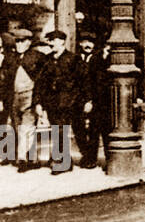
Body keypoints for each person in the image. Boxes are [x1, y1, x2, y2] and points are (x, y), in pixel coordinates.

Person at [0, 30, 47, 170]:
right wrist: (0, 99)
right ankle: (33, 159)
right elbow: (3, 80)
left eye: (22, 41)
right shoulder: (10, 58)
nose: (19, 44)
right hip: (14, 97)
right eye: (17, 41)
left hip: (30, 96)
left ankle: (22, 160)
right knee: (18, 128)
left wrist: (40, 101)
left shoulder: (37, 57)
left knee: (27, 128)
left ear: (29, 42)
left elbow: (43, 81)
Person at [36, 31, 83, 174]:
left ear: (62, 41)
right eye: (50, 41)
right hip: (52, 102)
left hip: (68, 102)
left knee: (61, 130)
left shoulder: (73, 59)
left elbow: (82, 81)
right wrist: (38, 102)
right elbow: (40, 83)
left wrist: (82, 100)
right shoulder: (47, 60)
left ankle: (63, 162)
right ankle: (60, 158)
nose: (51, 43)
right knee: (56, 130)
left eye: (53, 40)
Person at [73, 33, 107, 169]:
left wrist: (91, 100)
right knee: (78, 129)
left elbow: (100, 82)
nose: (88, 45)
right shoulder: (75, 59)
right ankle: (86, 155)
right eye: (85, 42)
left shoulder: (100, 59)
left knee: (96, 130)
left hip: (97, 101)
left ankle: (93, 158)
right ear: (80, 43)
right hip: (78, 100)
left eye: (91, 42)